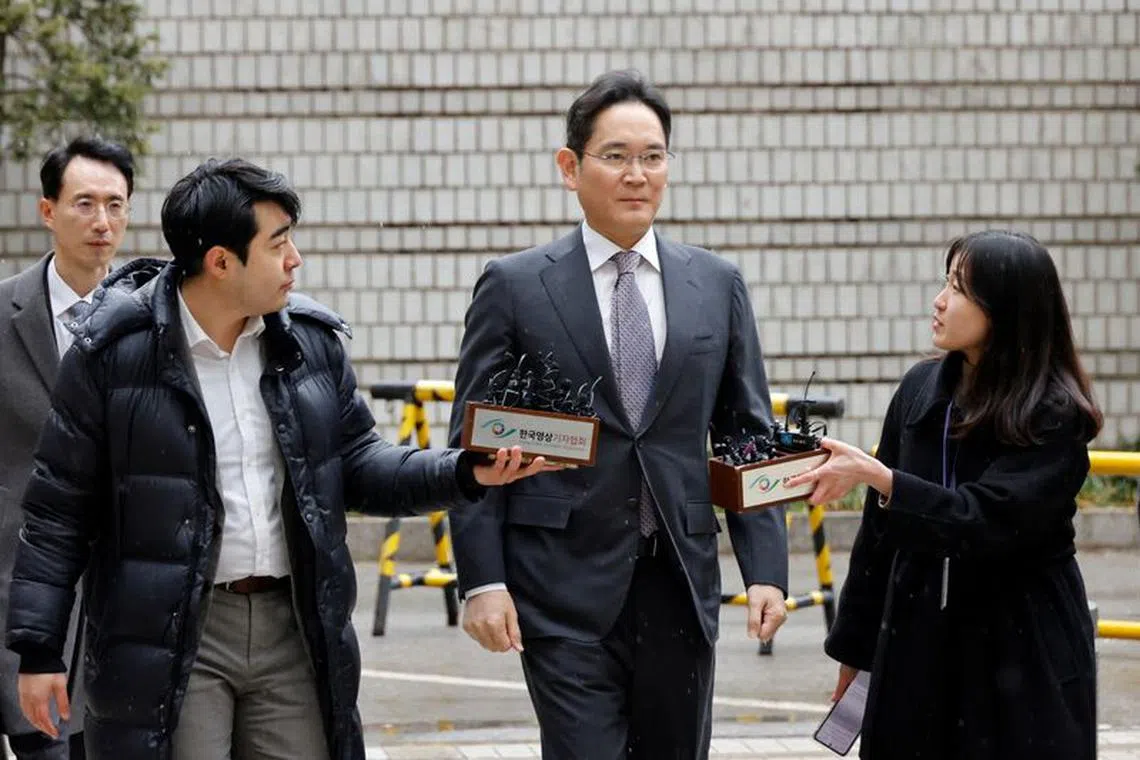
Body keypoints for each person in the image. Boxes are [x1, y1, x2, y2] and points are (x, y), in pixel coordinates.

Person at [5, 158, 551, 760]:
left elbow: (360, 465)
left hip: (294, 623)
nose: (295, 260)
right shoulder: (114, 354)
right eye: (279, 244)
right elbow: (59, 511)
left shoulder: (308, 344)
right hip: (169, 631)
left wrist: (463, 470)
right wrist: (38, 649)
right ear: (220, 262)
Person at [448, 69, 789, 760]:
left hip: (679, 580)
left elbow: (746, 436)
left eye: (652, 156)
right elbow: (474, 445)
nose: (637, 175)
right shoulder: (516, 285)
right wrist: (483, 581)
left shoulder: (715, 284)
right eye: (616, 156)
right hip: (559, 582)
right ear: (570, 167)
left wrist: (767, 568)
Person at [787, 231, 1101, 759]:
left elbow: (985, 519)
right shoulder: (919, 391)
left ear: (1005, 309)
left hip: (1023, 648)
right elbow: (877, 542)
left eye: (959, 288)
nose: (939, 301)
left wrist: (884, 480)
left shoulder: (1053, 415)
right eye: (945, 282)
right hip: (915, 640)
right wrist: (856, 655)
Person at [0, 136, 135, 760]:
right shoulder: (4, 315)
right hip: (17, 586)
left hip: (118, 601)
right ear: (47, 211)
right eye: (84, 203)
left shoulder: (148, 318)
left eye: (116, 204)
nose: (102, 222)